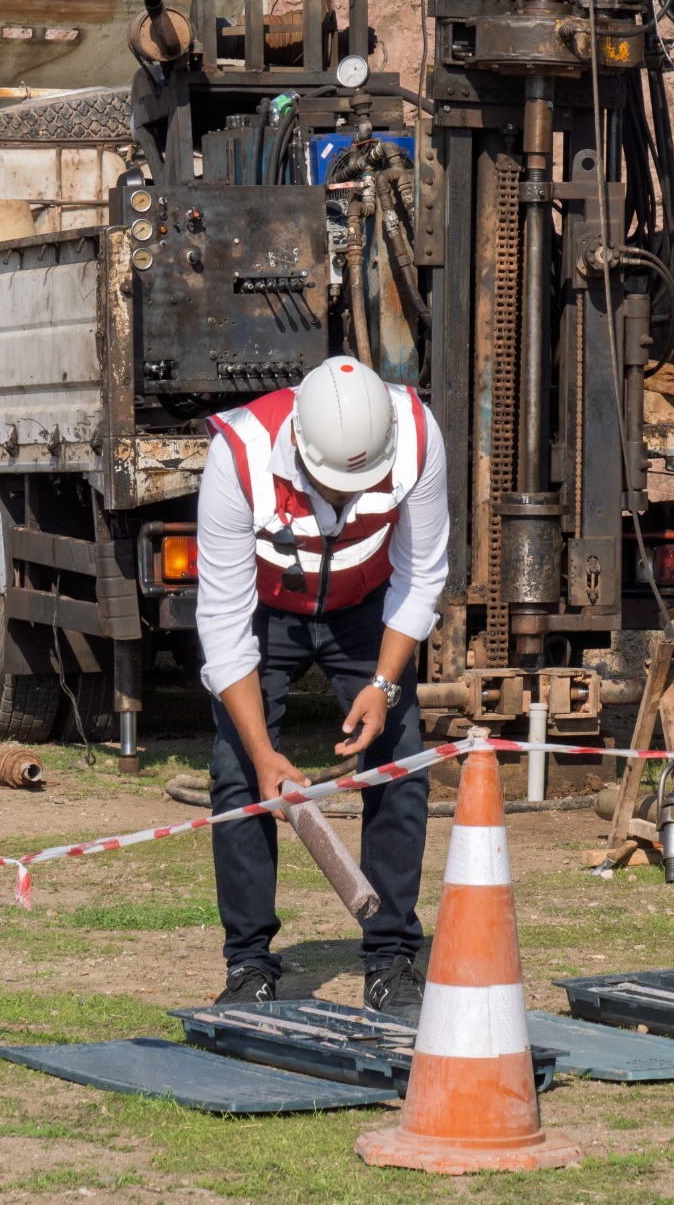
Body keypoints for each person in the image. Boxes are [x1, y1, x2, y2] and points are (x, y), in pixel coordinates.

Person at [195, 355, 449, 1012]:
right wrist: (263, 755)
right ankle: (249, 966)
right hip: (267, 605)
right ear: (299, 450)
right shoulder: (238, 456)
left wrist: (384, 686)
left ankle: (392, 960)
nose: (344, 496)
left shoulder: (418, 435)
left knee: (400, 761)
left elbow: (421, 574)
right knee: (235, 773)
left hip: (367, 612)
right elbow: (223, 626)